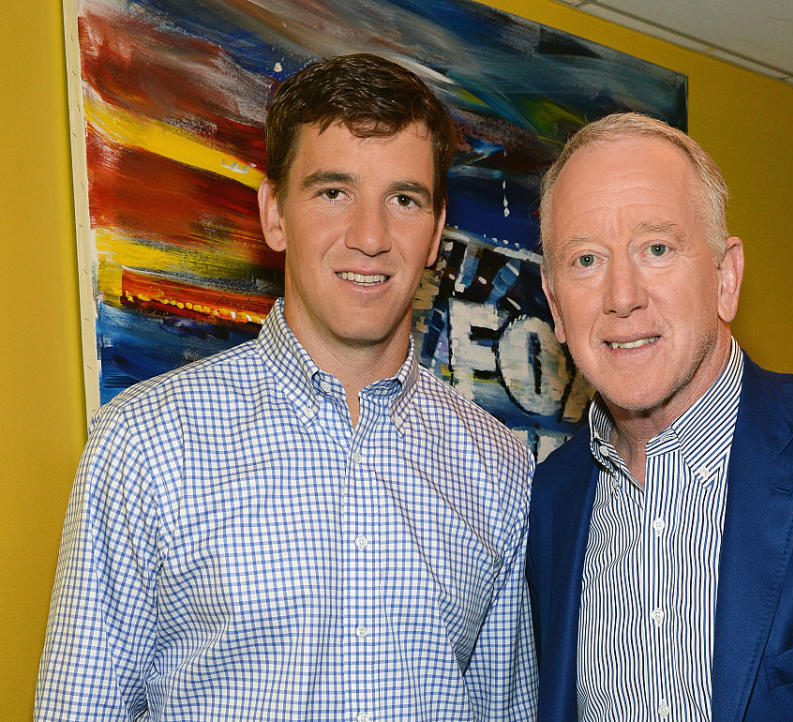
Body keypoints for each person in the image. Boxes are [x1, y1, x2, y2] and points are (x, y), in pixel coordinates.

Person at [36, 54, 536, 721]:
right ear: (275, 214)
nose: (370, 238)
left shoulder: (500, 467)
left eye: (404, 200)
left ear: (436, 233)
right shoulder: (145, 443)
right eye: (334, 193)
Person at [527, 112, 793, 721]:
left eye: (657, 248)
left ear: (725, 277)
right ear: (555, 305)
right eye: (586, 261)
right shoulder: (553, 496)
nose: (622, 296)